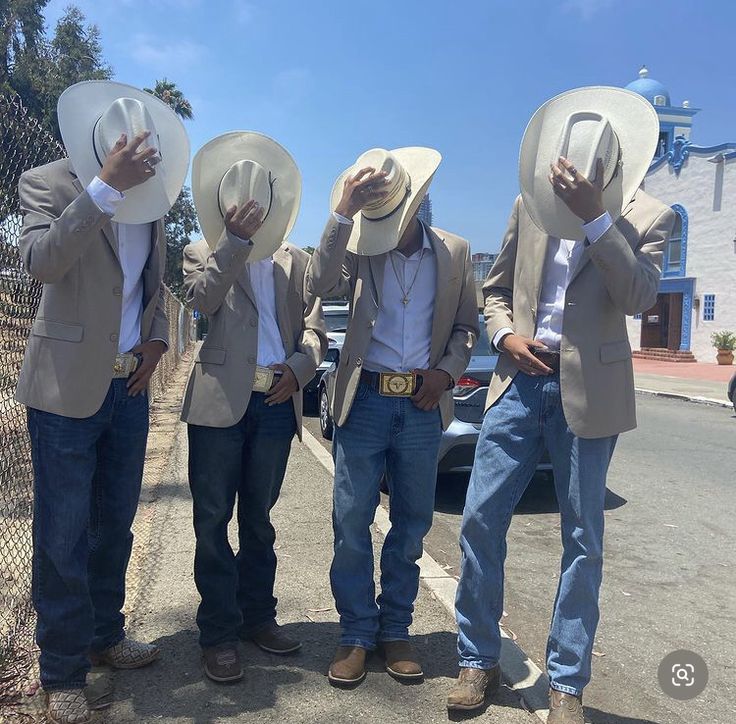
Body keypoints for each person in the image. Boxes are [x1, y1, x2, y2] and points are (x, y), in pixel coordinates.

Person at [448, 87, 676, 723]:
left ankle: (567, 683)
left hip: (590, 392)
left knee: (583, 538)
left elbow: (638, 296)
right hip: (517, 382)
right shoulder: (530, 205)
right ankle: (477, 658)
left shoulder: (650, 216)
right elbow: (495, 292)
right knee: (479, 519)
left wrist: (597, 219)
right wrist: (504, 335)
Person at [16, 80, 190, 724]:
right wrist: (104, 188)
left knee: (113, 522)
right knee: (61, 533)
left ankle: (104, 636)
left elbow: (152, 286)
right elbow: (41, 261)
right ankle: (60, 672)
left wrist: (156, 340)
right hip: (63, 387)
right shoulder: (49, 183)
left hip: (130, 385)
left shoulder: (155, 200)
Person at [308, 147, 479, 686]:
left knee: (411, 525)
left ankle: (396, 630)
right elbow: (319, 282)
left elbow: (466, 328)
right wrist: (342, 212)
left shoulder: (455, 251)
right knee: (351, 522)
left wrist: (446, 374)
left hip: (423, 405)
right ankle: (357, 633)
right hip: (364, 401)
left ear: (417, 201)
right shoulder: (359, 250)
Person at [181, 132, 327, 683]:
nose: (247, 205)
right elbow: (202, 303)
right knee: (212, 521)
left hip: (275, 401)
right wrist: (235, 243)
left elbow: (315, 329)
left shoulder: (296, 260)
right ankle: (217, 633)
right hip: (218, 404)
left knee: (259, 520)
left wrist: (300, 368)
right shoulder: (201, 250)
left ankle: (257, 618)